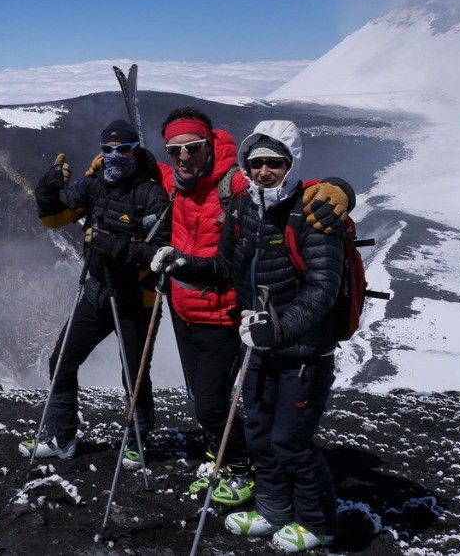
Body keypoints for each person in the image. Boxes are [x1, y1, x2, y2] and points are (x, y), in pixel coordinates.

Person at [153, 119, 344, 553]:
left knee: (290, 441)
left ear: (291, 163)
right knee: (259, 433)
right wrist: (182, 263)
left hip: (302, 350)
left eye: (275, 162)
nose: (264, 172)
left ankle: (319, 523)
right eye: (255, 163)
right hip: (258, 341)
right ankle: (274, 511)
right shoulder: (244, 211)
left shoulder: (311, 214)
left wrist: (276, 328)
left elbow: (323, 290)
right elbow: (224, 268)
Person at [19, 119, 170, 467]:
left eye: (123, 150)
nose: (115, 156)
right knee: (62, 361)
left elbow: (161, 255)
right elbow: (54, 218)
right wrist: (47, 190)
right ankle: (61, 437)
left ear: (135, 151)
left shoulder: (151, 194)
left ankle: (138, 440)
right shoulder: (95, 185)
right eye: (108, 150)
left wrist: (110, 245)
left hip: (138, 299)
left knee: (133, 373)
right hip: (98, 290)